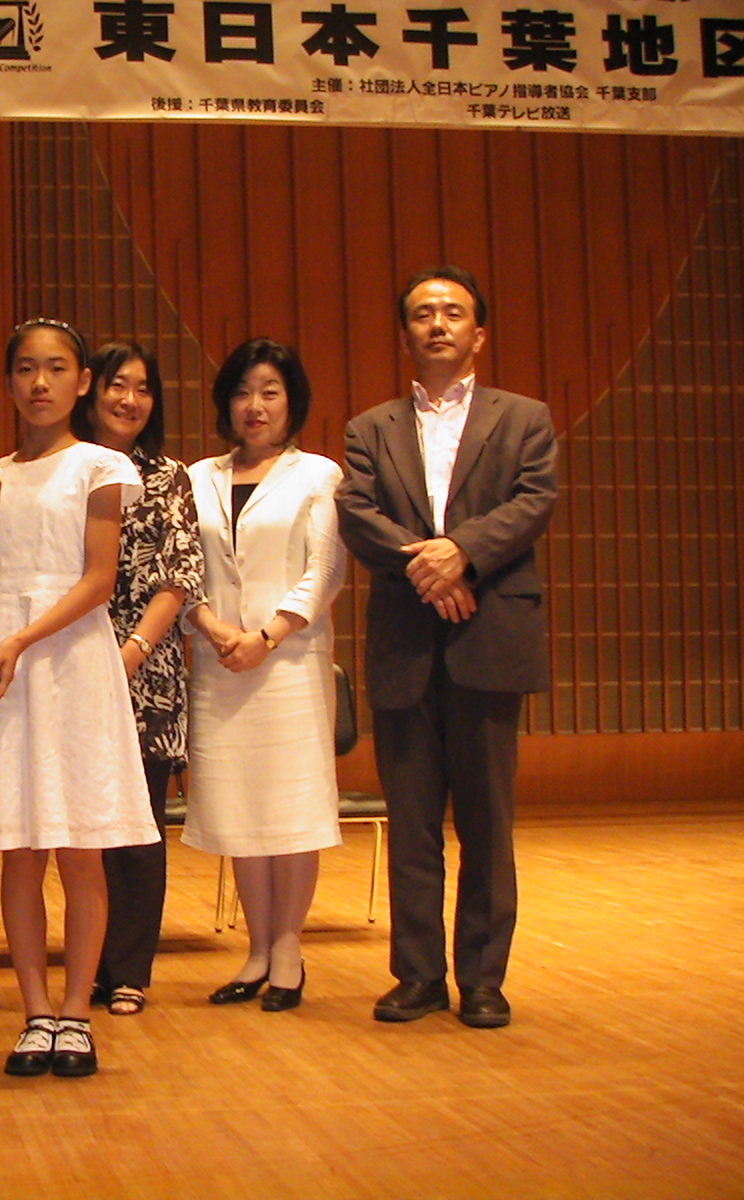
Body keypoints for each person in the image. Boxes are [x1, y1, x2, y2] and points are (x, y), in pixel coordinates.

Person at [336, 266, 557, 1029]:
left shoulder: (525, 418)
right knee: (413, 822)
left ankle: (484, 979)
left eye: (453, 313)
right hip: (405, 643)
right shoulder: (370, 428)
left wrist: (462, 552)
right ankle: (419, 975)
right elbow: (357, 512)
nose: (438, 323)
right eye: (423, 313)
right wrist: (432, 570)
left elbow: (534, 501)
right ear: (405, 334)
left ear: (479, 334)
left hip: (491, 637)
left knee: (487, 822)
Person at [0, 319, 157, 1079]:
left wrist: (22, 638)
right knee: (20, 848)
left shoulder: (100, 465)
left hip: (68, 664)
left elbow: (99, 581)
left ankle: (76, 1015)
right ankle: (35, 1013)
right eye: (27, 369)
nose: (40, 383)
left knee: (81, 849)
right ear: (7, 381)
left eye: (57, 368)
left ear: (82, 381)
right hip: (0, 670)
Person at [181, 338, 346, 1013]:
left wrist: (269, 634)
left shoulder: (318, 475)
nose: (255, 405)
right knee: (239, 810)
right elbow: (182, 566)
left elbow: (325, 569)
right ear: (226, 403)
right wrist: (211, 625)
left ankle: (288, 951)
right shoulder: (198, 477)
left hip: (289, 665)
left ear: (291, 402)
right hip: (219, 662)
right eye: (243, 392)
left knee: (292, 810)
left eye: (270, 392)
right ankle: (255, 950)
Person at [72, 341, 204, 1017]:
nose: (129, 399)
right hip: (68, 662)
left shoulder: (169, 477)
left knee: (138, 826)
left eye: (143, 388)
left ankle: (128, 971)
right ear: (91, 390)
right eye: (117, 385)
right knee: (82, 829)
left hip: (146, 673)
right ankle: (86, 967)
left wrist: (128, 654)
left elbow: (179, 576)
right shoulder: (67, 466)